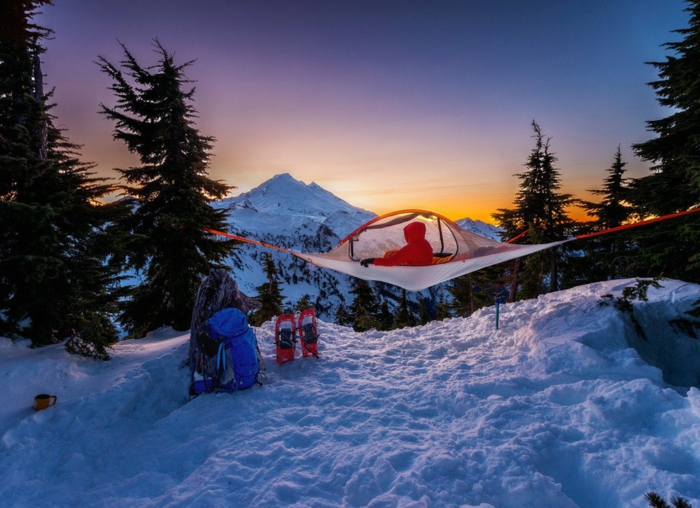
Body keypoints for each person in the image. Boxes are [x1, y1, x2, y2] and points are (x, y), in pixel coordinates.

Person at [360, 222, 433, 267]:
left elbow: (391, 261)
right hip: (422, 270)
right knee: (393, 252)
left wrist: (372, 260)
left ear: (411, 233)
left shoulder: (412, 248)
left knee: (390, 256)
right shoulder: (425, 243)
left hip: (413, 274)